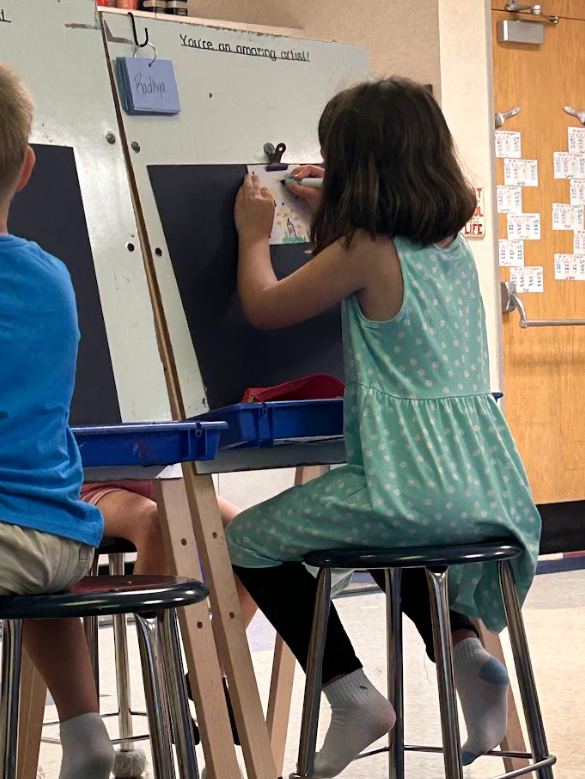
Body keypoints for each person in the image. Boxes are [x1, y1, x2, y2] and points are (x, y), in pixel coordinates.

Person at [226, 77, 541, 778]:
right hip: (482, 487)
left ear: (357, 166)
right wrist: (321, 218)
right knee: (377, 531)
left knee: (244, 539)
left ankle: (350, 695)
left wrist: (254, 236)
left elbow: (266, 306)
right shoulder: (449, 249)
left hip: (406, 486)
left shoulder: (365, 248)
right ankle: (465, 658)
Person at [0, 64, 114, 779]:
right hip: (63, 535)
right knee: (31, 578)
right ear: (29, 167)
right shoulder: (52, 274)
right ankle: (83, 727)